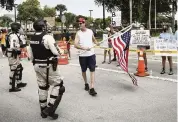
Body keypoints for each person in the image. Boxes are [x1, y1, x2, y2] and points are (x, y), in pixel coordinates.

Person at [28, 19, 66, 119]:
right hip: (49, 66)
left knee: (42, 87)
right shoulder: (48, 37)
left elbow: (30, 56)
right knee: (58, 85)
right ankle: (49, 109)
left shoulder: (32, 38)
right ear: (43, 27)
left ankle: (43, 109)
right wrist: (62, 52)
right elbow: (56, 51)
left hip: (37, 66)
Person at [74, 18, 99, 96]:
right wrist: (83, 48)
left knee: (92, 70)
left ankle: (92, 87)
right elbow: (75, 44)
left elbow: (94, 40)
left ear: (85, 23)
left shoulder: (90, 31)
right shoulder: (78, 33)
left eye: (81, 23)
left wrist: (96, 43)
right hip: (82, 55)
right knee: (83, 70)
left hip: (91, 54)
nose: (80, 24)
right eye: (79, 23)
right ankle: (86, 83)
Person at [5, 23, 27, 92]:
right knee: (13, 69)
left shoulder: (12, 34)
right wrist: (19, 46)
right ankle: (12, 87)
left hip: (13, 53)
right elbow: (13, 46)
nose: (21, 29)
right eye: (19, 28)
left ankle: (19, 83)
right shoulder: (13, 36)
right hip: (12, 54)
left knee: (19, 67)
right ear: (16, 28)